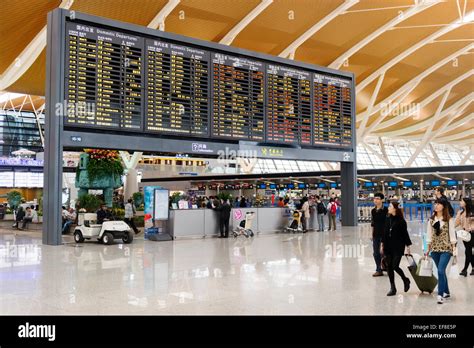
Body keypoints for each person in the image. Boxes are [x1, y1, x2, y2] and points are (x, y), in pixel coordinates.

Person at [427, 199, 457, 304]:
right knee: (442, 271)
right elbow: (429, 235)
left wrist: (454, 250)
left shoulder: (449, 220)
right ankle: (447, 292)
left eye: (438, 204)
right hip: (434, 249)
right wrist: (428, 249)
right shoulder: (431, 219)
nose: (436, 205)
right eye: (435, 203)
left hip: (446, 249)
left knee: (440, 270)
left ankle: (440, 295)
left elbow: (452, 235)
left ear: (443, 206)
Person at [381, 201, 412, 296]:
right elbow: (385, 232)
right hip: (388, 246)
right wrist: (382, 245)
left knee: (395, 266)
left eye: (390, 206)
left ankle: (405, 279)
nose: (388, 207)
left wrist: (408, 246)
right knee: (389, 267)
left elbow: (405, 234)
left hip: (398, 247)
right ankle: (393, 287)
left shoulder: (401, 221)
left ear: (395, 208)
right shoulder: (387, 219)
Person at [455, 197, 474, 277]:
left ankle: (465, 269)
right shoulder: (460, 212)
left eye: (461, 201)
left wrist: (471, 227)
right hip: (464, 235)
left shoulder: (472, 212)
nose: (460, 202)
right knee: (470, 252)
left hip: (472, 234)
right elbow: (456, 223)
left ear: (466, 203)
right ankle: (473, 268)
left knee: (468, 252)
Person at [371, 193, 388, 277]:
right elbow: (373, 223)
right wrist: (372, 234)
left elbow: (388, 223)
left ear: (382, 200)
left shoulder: (386, 210)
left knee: (384, 252)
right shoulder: (373, 211)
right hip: (376, 235)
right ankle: (378, 269)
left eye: (377, 198)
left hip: (384, 234)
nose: (375, 200)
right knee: (376, 253)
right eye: (375, 198)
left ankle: (387, 267)